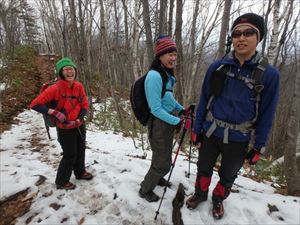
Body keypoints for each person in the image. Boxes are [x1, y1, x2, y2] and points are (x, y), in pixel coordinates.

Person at [186, 13, 279, 219]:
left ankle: (218, 199)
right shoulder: (217, 67)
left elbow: (267, 113)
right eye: (237, 34)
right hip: (210, 132)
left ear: (258, 37)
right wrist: (196, 129)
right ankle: (200, 194)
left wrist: (258, 146)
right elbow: (204, 100)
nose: (241, 38)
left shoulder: (268, 75)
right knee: (203, 169)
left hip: (239, 139)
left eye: (248, 33)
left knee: (228, 175)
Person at [30, 57, 93, 190]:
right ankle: (61, 181)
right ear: (60, 73)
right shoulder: (55, 88)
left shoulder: (78, 86)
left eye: (71, 69)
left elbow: (84, 104)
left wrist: (79, 118)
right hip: (64, 127)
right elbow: (35, 104)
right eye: (65, 70)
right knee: (70, 154)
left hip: (79, 124)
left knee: (81, 149)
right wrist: (54, 112)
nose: (69, 72)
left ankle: (80, 172)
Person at [138, 35, 185, 202]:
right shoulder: (155, 76)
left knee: (163, 156)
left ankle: (157, 179)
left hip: (166, 122)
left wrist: (181, 110)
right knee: (162, 162)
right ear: (160, 56)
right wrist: (177, 121)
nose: (173, 58)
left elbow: (168, 98)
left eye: (174, 54)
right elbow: (155, 108)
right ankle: (145, 189)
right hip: (158, 123)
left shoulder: (166, 74)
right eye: (169, 54)